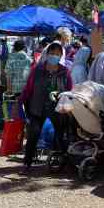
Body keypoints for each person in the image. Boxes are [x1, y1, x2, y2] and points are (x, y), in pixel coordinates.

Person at [20, 41, 73, 170]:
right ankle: (27, 162)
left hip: (57, 108)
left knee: (60, 134)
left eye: (57, 54)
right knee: (34, 134)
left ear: (61, 56)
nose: (54, 56)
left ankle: (59, 160)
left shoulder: (65, 72)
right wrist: (20, 103)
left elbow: (70, 90)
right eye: (52, 53)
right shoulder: (37, 69)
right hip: (37, 107)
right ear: (47, 54)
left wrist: (66, 99)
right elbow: (28, 88)